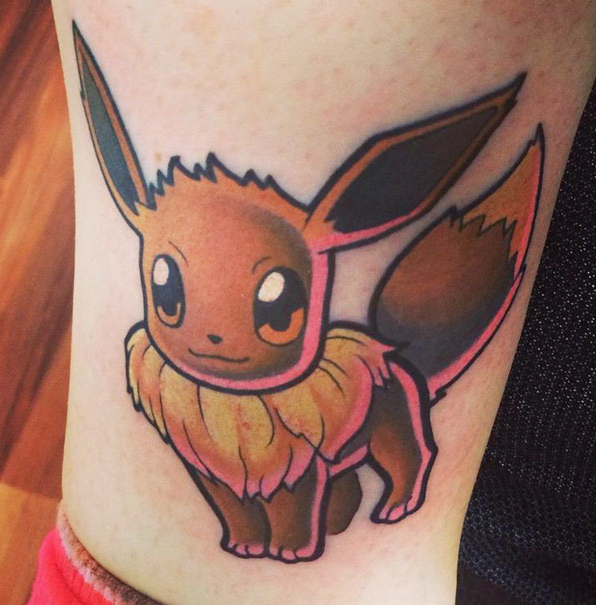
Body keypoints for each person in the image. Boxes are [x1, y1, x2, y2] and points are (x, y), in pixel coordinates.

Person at [32, 1, 596, 602]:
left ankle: (394, 484)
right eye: (168, 293)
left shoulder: (333, 396)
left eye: (273, 306)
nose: (214, 338)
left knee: (371, 456)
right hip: (498, 544)